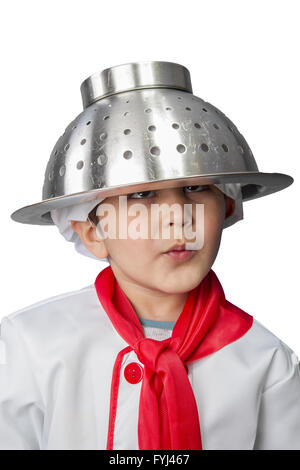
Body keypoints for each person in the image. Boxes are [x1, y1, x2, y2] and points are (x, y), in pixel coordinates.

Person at [1, 61, 299, 450]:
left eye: (195, 188)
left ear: (227, 208)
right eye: (142, 196)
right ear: (93, 232)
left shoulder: (265, 360)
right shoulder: (26, 347)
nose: (178, 217)